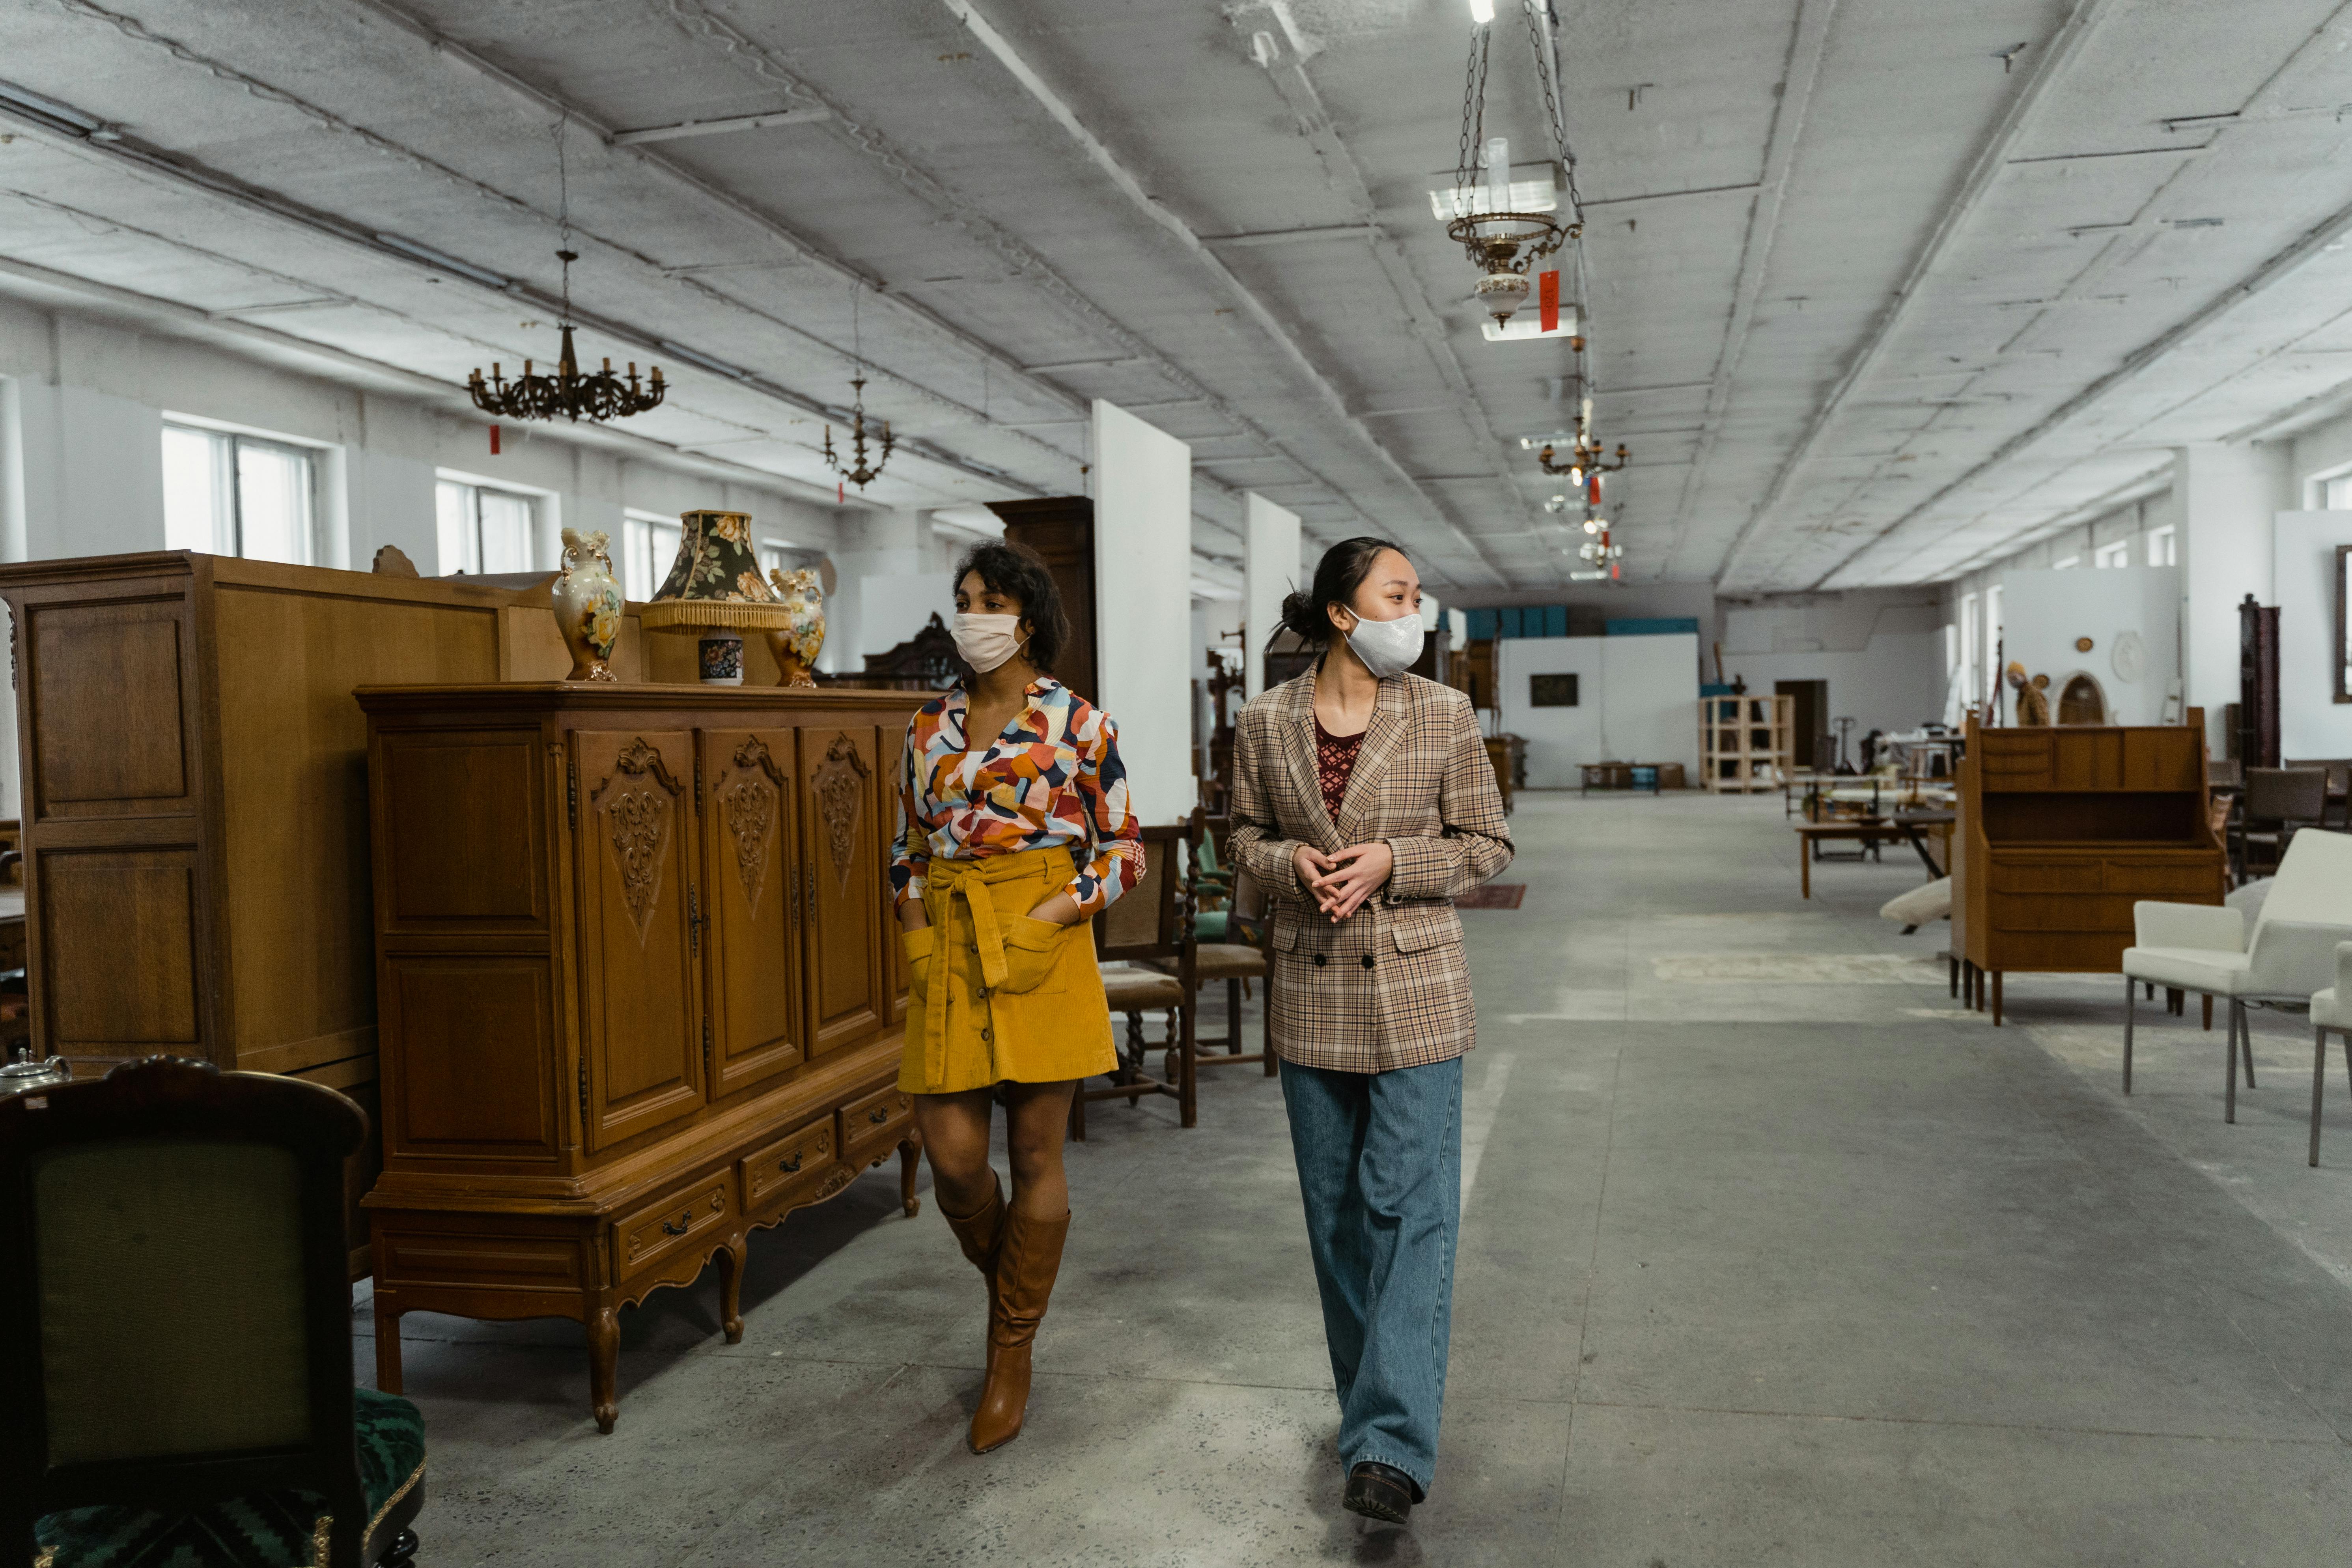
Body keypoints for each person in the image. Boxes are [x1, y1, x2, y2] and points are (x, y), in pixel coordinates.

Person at [1226, 537, 1512, 1524]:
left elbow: (1487, 841)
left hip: (1419, 992)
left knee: (1410, 1210)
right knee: (1338, 1218)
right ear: (1344, 614)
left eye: (1416, 593)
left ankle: (1391, 1444)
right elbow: (1242, 835)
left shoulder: (1442, 711)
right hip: (1310, 995)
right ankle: (1368, 1419)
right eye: (1399, 593)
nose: (1416, 609)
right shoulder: (1266, 719)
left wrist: (1393, 857)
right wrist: (1287, 863)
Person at [892, 539, 1141, 1454]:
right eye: (963, 597)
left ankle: (1011, 1347)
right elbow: (906, 848)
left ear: (1026, 616)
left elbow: (1124, 851)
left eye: (989, 599)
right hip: (950, 937)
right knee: (953, 1156)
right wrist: (915, 930)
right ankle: (1015, 1291)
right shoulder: (925, 726)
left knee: (1036, 1154)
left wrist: (1052, 914)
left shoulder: (1079, 722)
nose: (972, 614)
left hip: (1041, 933)